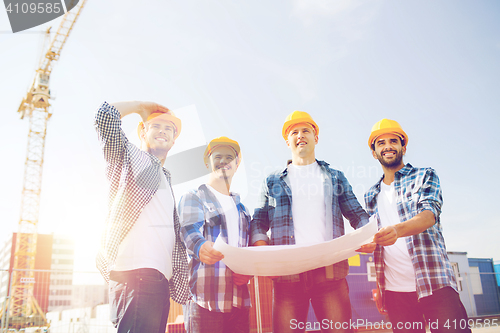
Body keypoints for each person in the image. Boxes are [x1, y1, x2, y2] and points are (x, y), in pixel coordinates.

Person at [250, 111, 370, 333]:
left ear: (316, 137)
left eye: (306, 130)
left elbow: (357, 213)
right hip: (287, 275)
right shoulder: (272, 180)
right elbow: (258, 222)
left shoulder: (335, 177)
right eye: (294, 132)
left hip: (329, 273)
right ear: (287, 141)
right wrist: (262, 250)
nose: (300, 135)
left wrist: (368, 233)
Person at [364, 118, 470, 333]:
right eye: (381, 143)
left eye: (393, 141)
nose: (388, 146)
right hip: (395, 292)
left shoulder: (425, 175)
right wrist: (367, 243)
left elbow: (429, 215)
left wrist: (397, 230)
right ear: (374, 152)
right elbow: (373, 235)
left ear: (403, 146)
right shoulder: (370, 195)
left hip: (435, 283)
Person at [94, 101, 190, 333]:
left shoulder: (165, 177)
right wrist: (143, 106)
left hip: (159, 281)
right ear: (142, 132)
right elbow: (105, 116)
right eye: (155, 125)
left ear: (174, 141)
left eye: (169, 129)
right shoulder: (129, 158)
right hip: (135, 274)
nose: (163, 131)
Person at [179, 137, 252, 333]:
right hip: (205, 302)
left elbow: (249, 251)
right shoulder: (194, 197)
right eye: (217, 156)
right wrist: (200, 246)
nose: (223, 161)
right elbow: (188, 229)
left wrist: (247, 271)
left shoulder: (243, 210)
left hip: (239, 302)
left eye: (229, 157)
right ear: (207, 163)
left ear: (237, 165)